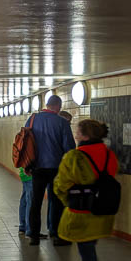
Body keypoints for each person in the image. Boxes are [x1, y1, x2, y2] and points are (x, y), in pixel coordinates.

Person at [54, 119, 119, 261]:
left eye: (78, 132)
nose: (75, 135)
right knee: (90, 258)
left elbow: (60, 185)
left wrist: (69, 202)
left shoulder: (74, 157)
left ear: (85, 136)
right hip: (102, 214)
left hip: (81, 217)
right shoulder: (109, 154)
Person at [27, 95, 75, 246]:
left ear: (47, 105)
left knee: (36, 202)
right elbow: (69, 148)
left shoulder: (32, 119)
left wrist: (28, 164)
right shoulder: (62, 122)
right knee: (57, 201)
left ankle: (34, 236)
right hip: (56, 168)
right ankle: (57, 235)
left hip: (37, 167)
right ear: (58, 106)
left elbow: (26, 142)